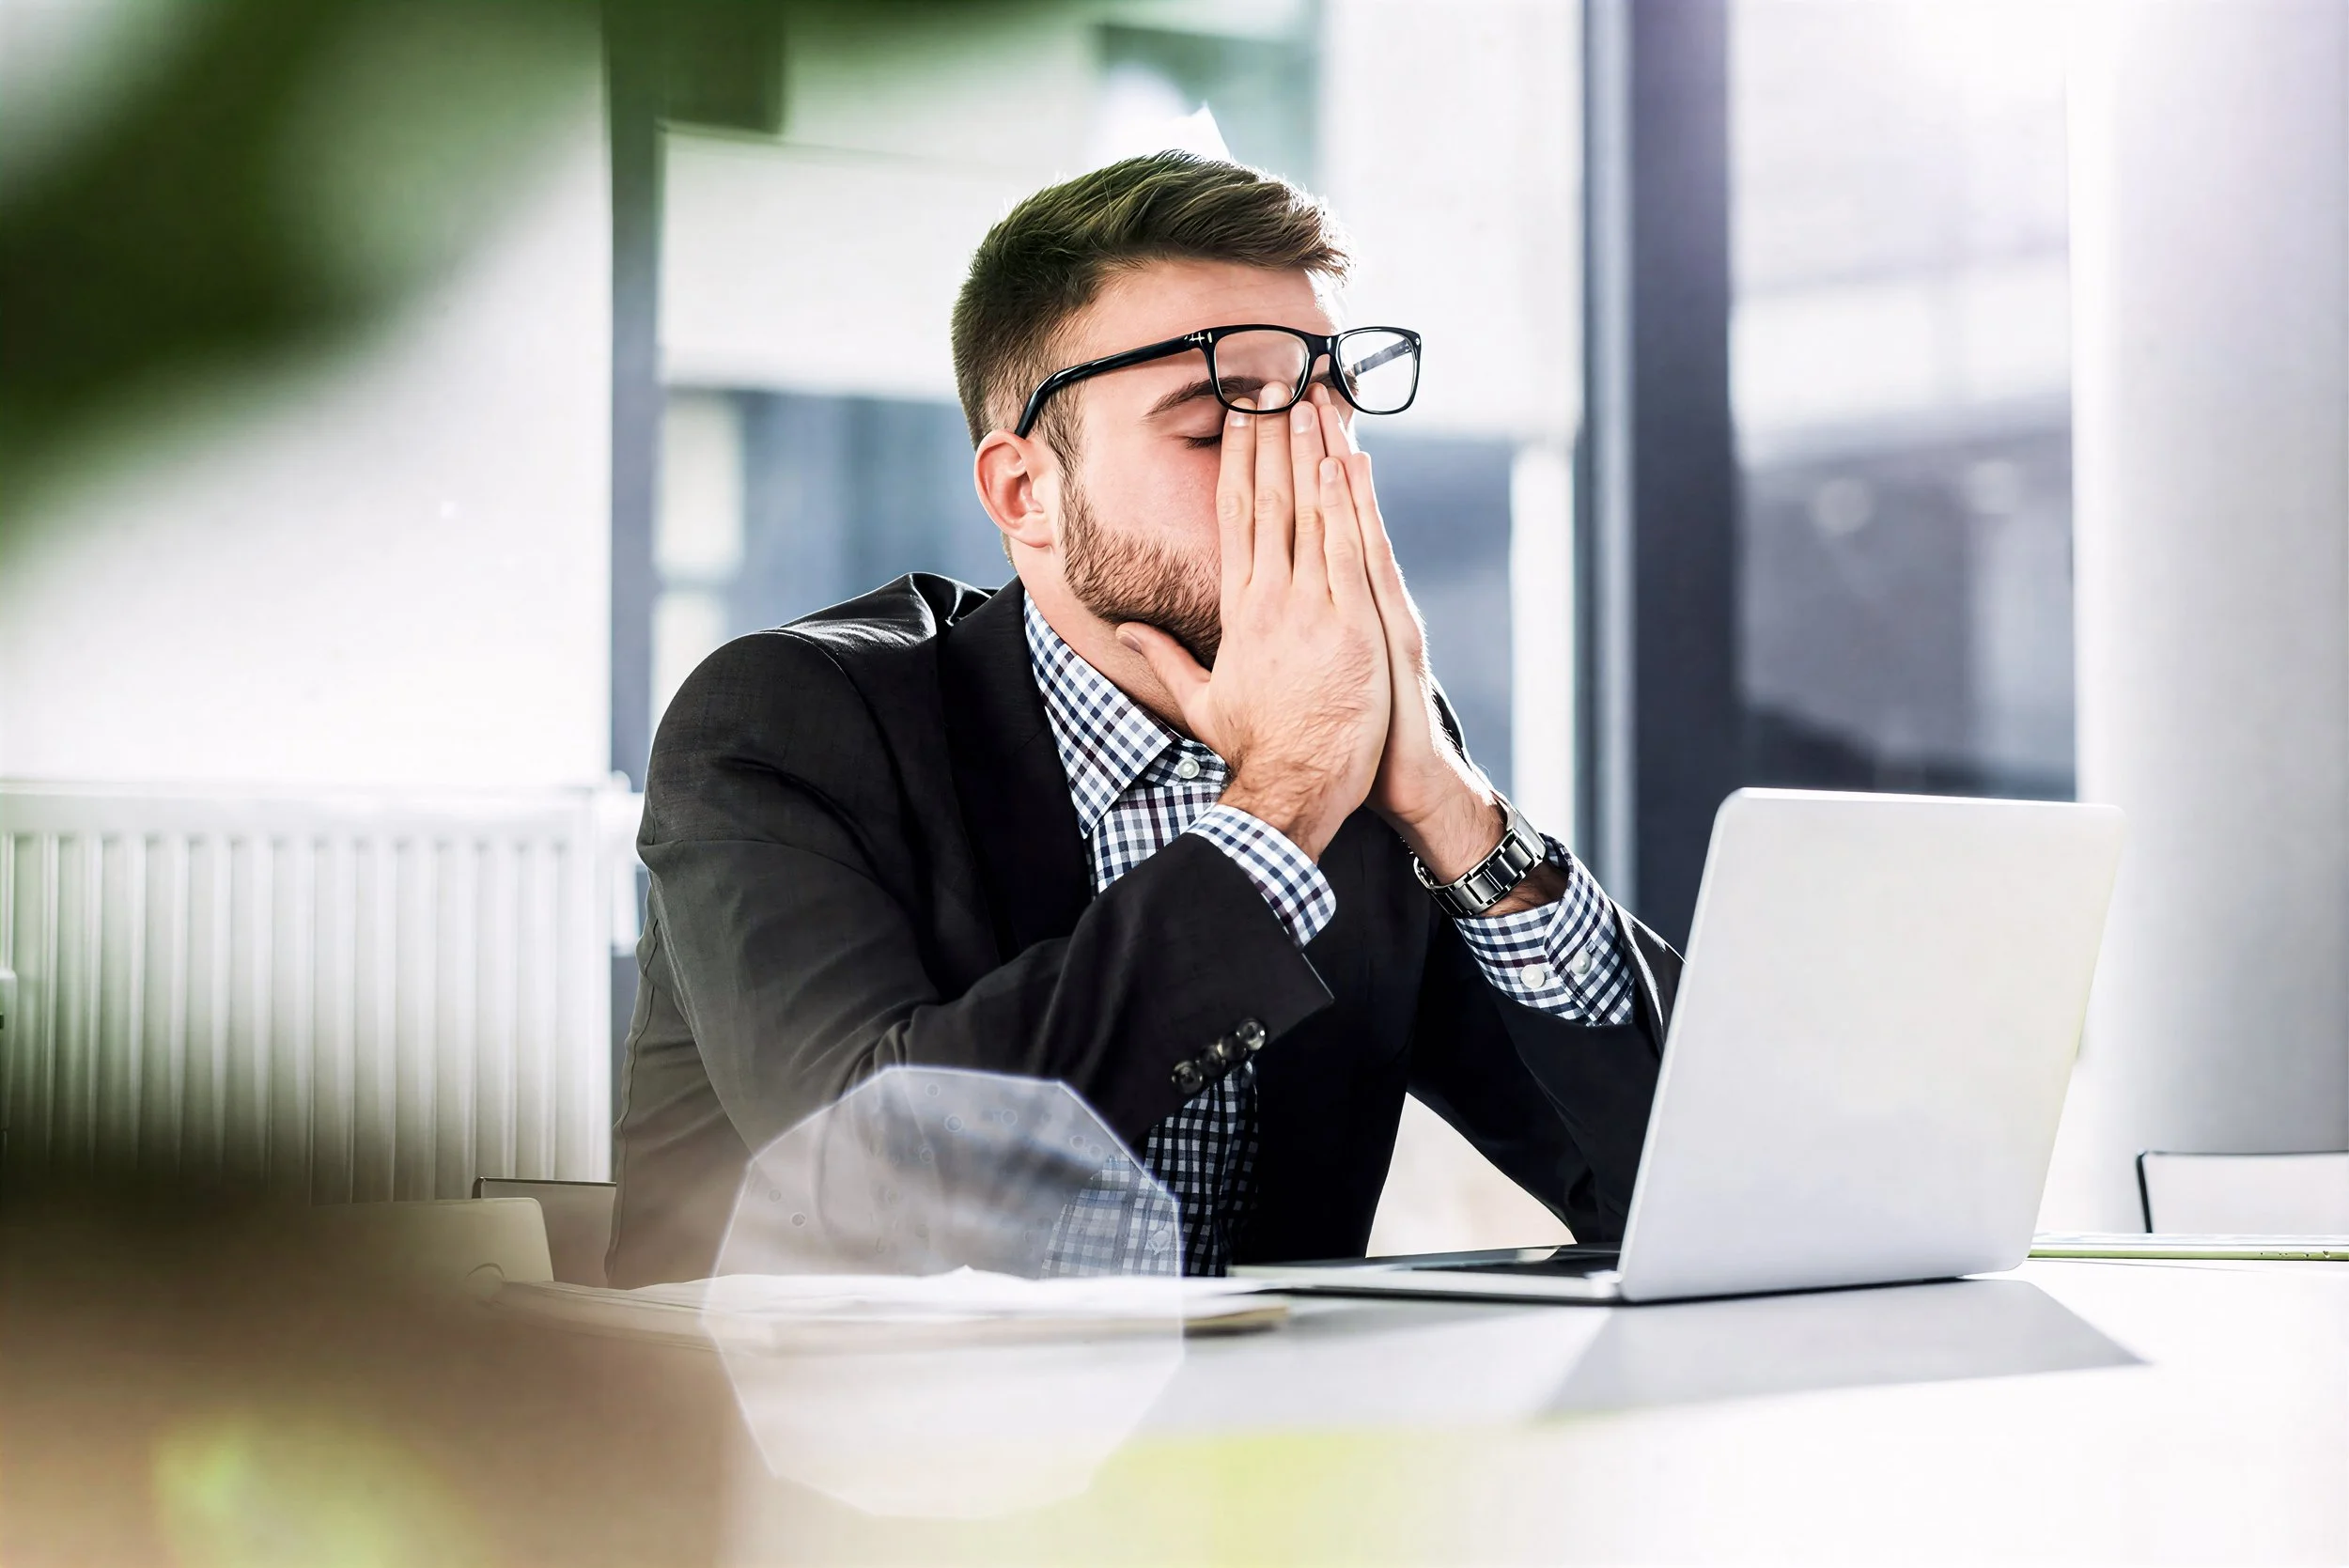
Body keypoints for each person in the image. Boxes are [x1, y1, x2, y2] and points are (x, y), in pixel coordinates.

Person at [606, 152, 1681, 1287]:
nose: (1303, 482)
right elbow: (883, 1188)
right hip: (790, 1448)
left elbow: (1683, 1183)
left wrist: (1459, 819)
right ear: (1025, 492)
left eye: (1324, 422)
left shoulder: (1357, 742)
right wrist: (1275, 814)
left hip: (1238, 1453)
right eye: (1218, 431)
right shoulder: (788, 720)